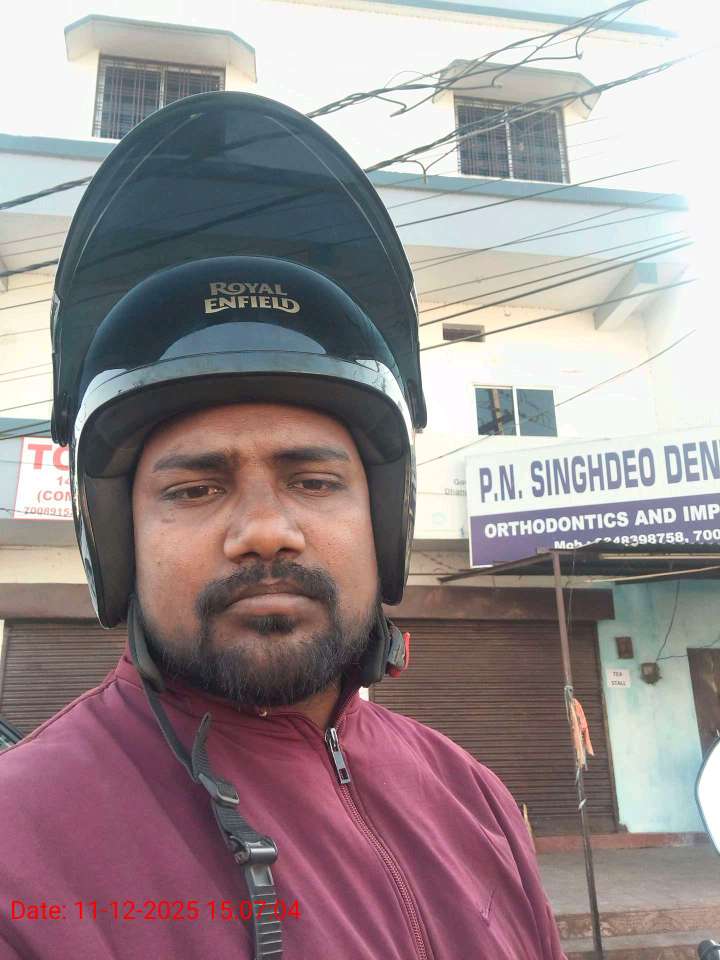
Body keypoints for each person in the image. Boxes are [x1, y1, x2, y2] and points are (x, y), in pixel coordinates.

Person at [0, 93, 566, 960]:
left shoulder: (477, 802)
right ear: (115, 539)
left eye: (313, 481)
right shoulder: (20, 849)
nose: (266, 531)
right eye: (196, 489)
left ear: (384, 521)